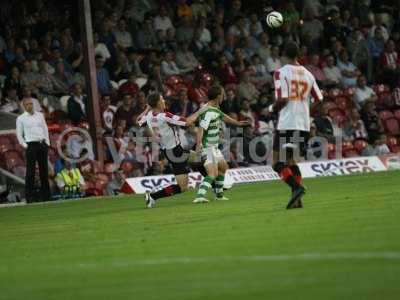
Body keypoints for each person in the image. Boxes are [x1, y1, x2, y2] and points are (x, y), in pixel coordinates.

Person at [270, 42, 323, 209]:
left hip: (287, 122)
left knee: (277, 163)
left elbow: (283, 99)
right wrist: (306, 110)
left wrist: (271, 109)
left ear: (284, 55)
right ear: (298, 55)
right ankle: (297, 200)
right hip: (303, 124)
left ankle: (296, 188)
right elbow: (320, 99)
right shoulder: (309, 74)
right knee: (291, 161)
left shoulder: (281, 72)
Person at [137, 93, 207, 208]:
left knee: (199, 159)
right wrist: (201, 111)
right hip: (175, 152)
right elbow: (187, 122)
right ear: (158, 103)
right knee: (183, 187)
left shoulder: (149, 116)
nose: (164, 100)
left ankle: (214, 185)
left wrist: (148, 108)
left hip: (170, 150)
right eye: (162, 99)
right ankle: (153, 196)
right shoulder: (164, 116)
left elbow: (138, 120)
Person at [193, 85, 249, 203]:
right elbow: (201, 129)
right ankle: (199, 196)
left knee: (223, 167)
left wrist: (237, 123)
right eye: (223, 94)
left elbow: (224, 117)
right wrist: (199, 145)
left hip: (214, 147)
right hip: (207, 147)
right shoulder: (208, 111)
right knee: (212, 174)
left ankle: (218, 195)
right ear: (218, 96)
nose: (224, 96)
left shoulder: (215, 108)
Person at [16, 98, 51, 203]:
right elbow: (19, 134)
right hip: (31, 145)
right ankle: (30, 197)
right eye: (27, 104)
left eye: (31, 103)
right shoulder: (21, 118)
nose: (30, 106)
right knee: (30, 172)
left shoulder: (40, 115)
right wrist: (25, 145)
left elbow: (45, 128)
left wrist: (47, 143)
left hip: (42, 144)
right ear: (24, 106)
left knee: (44, 171)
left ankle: (46, 196)